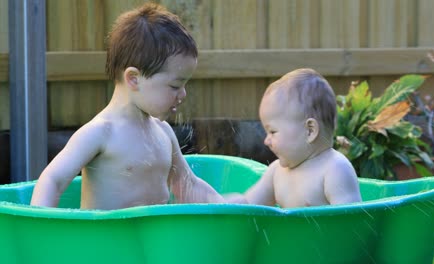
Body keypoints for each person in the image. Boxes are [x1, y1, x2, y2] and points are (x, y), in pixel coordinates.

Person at [31, 2, 224, 210]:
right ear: (133, 79)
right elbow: (53, 180)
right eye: (175, 85)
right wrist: (41, 230)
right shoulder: (100, 133)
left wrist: (227, 208)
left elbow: (187, 185)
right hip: (107, 240)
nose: (183, 94)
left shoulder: (164, 132)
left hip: (152, 241)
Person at [227, 68, 361, 207]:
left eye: (272, 132)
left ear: (310, 131)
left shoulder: (335, 170)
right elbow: (248, 206)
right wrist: (214, 200)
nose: (266, 141)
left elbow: (351, 222)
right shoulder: (276, 172)